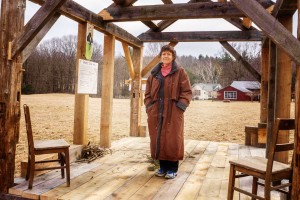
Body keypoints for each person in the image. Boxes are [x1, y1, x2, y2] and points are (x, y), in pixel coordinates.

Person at [144, 45, 192, 179]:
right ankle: (162, 167)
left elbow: (187, 91)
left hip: (173, 111)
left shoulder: (180, 72)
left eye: (169, 54)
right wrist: (149, 106)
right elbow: (147, 93)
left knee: (172, 139)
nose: (166, 56)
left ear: (173, 57)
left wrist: (180, 107)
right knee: (158, 138)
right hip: (156, 112)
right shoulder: (154, 74)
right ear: (160, 56)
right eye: (164, 54)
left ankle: (172, 168)